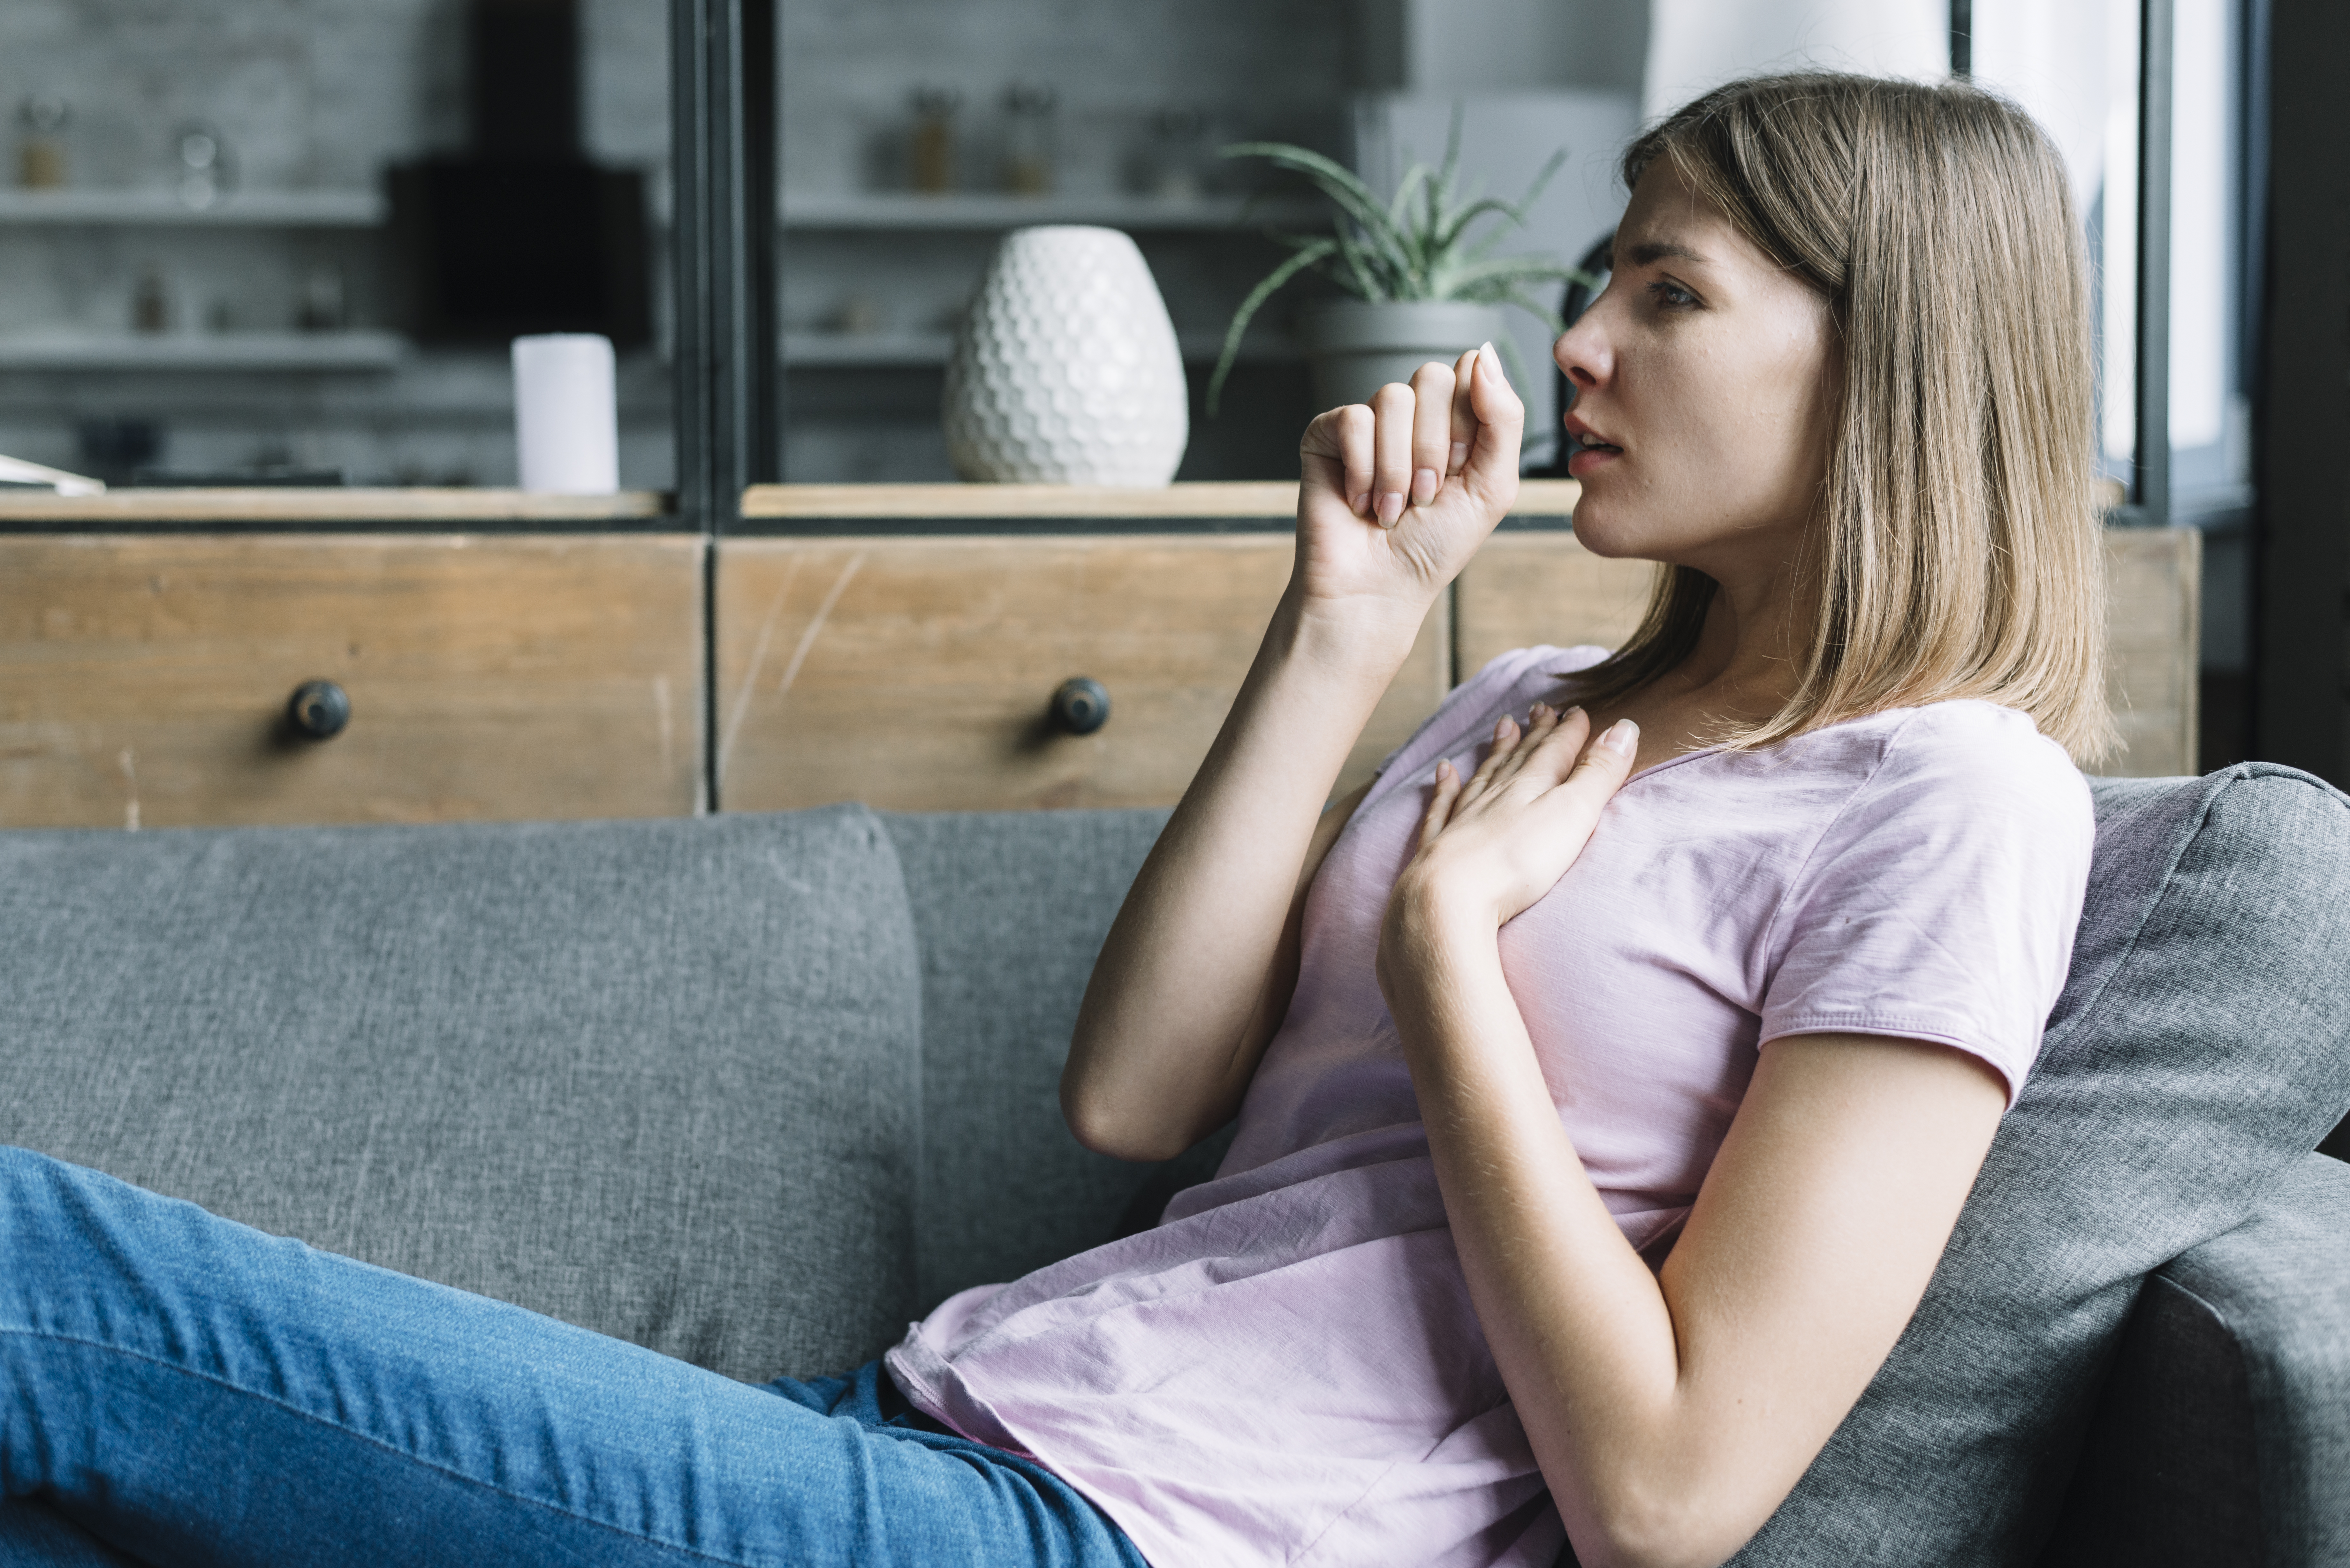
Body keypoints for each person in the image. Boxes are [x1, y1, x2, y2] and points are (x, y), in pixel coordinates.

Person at [0, 72, 2104, 1568]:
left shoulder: (1955, 802)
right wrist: (1343, 619)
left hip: (1153, 1532)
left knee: (41, 1266)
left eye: (1670, 291)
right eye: (1601, 279)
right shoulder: (1527, 704)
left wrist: (1446, 956)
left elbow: (1665, 1497)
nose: (1578, 341)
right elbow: (1136, 1094)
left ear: (1888, 356)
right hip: (952, 1422)